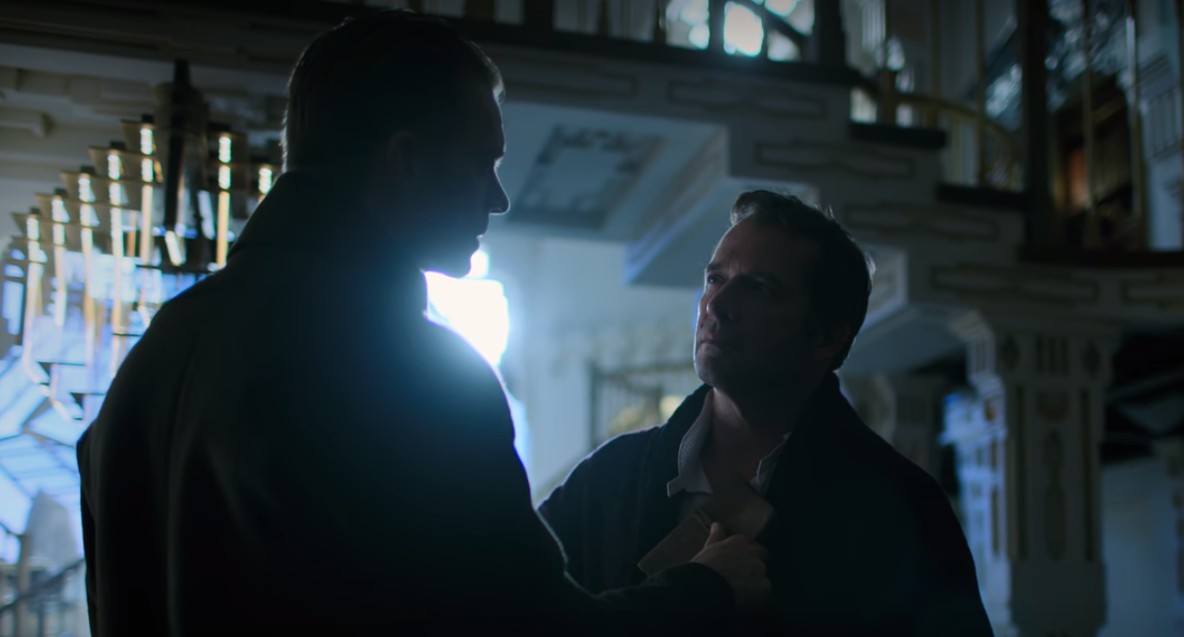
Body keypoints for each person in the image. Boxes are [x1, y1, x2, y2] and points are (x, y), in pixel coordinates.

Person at [76, 11, 769, 635]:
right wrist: (705, 590)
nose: (497, 198)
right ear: (406, 162)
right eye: (483, 163)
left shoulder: (152, 357)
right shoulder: (411, 368)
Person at [539, 191, 994, 636]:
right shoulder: (612, 474)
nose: (716, 305)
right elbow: (516, 612)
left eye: (759, 288)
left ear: (824, 338)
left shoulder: (899, 507)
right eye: (714, 279)